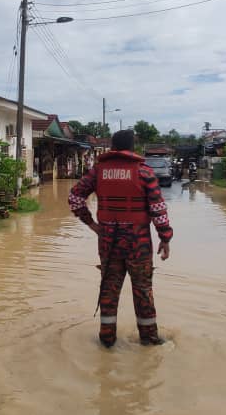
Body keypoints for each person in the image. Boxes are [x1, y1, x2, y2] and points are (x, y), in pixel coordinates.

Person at [69, 129, 173, 348]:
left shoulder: (98, 172)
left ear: (113, 147)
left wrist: (92, 225)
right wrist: (165, 237)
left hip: (108, 242)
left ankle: (107, 340)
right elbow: (158, 209)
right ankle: (149, 340)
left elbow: (75, 197)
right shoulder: (144, 172)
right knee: (143, 290)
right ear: (132, 148)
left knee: (109, 289)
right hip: (138, 243)